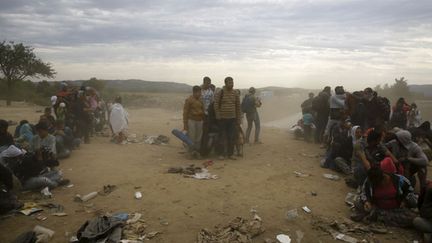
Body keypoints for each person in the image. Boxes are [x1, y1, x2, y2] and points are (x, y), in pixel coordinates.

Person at [352, 167, 417, 227]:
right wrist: (367, 201)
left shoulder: (399, 179)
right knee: (357, 201)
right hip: (377, 207)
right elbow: (364, 193)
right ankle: (379, 215)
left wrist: (404, 201)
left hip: (395, 209)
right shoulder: (369, 181)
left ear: (383, 177)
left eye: (379, 183)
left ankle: (376, 216)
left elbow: (410, 191)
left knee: (412, 218)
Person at [214, 77, 241, 160]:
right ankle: (221, 154)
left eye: (232, 82)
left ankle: (230, 154)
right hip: (222, 118)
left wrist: (238, 118)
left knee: (231, 137)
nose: (232, 84)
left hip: (232, 119)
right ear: (225, 83)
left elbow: (238, 106)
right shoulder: (220, 92)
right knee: (221, 136)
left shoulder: (235, 93)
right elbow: (216, 104)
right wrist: (218, 114)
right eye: (230, 82)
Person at [183, 86, 205, 157]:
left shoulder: (201, 100)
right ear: (194, 92)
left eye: (200, 92)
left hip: (200, 121)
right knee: (191, 137)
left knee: (199, 138)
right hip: (192, 120)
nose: (200, 94)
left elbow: (203, 110)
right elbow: (185, 112)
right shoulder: (189, 100)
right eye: (199, 92)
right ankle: (191, 152)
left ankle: (197, 152)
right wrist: (185, 124)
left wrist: (203, 119)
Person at [200, 77, 214, 156]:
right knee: (200, 133)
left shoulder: (211, 92)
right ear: (204, 82)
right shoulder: (199, 90)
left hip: (208, 115)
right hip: (200, 114)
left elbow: (212, 103)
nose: (209, 85)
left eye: (209, 83)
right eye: (207, 83)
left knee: (206, 133)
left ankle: (204, 151)